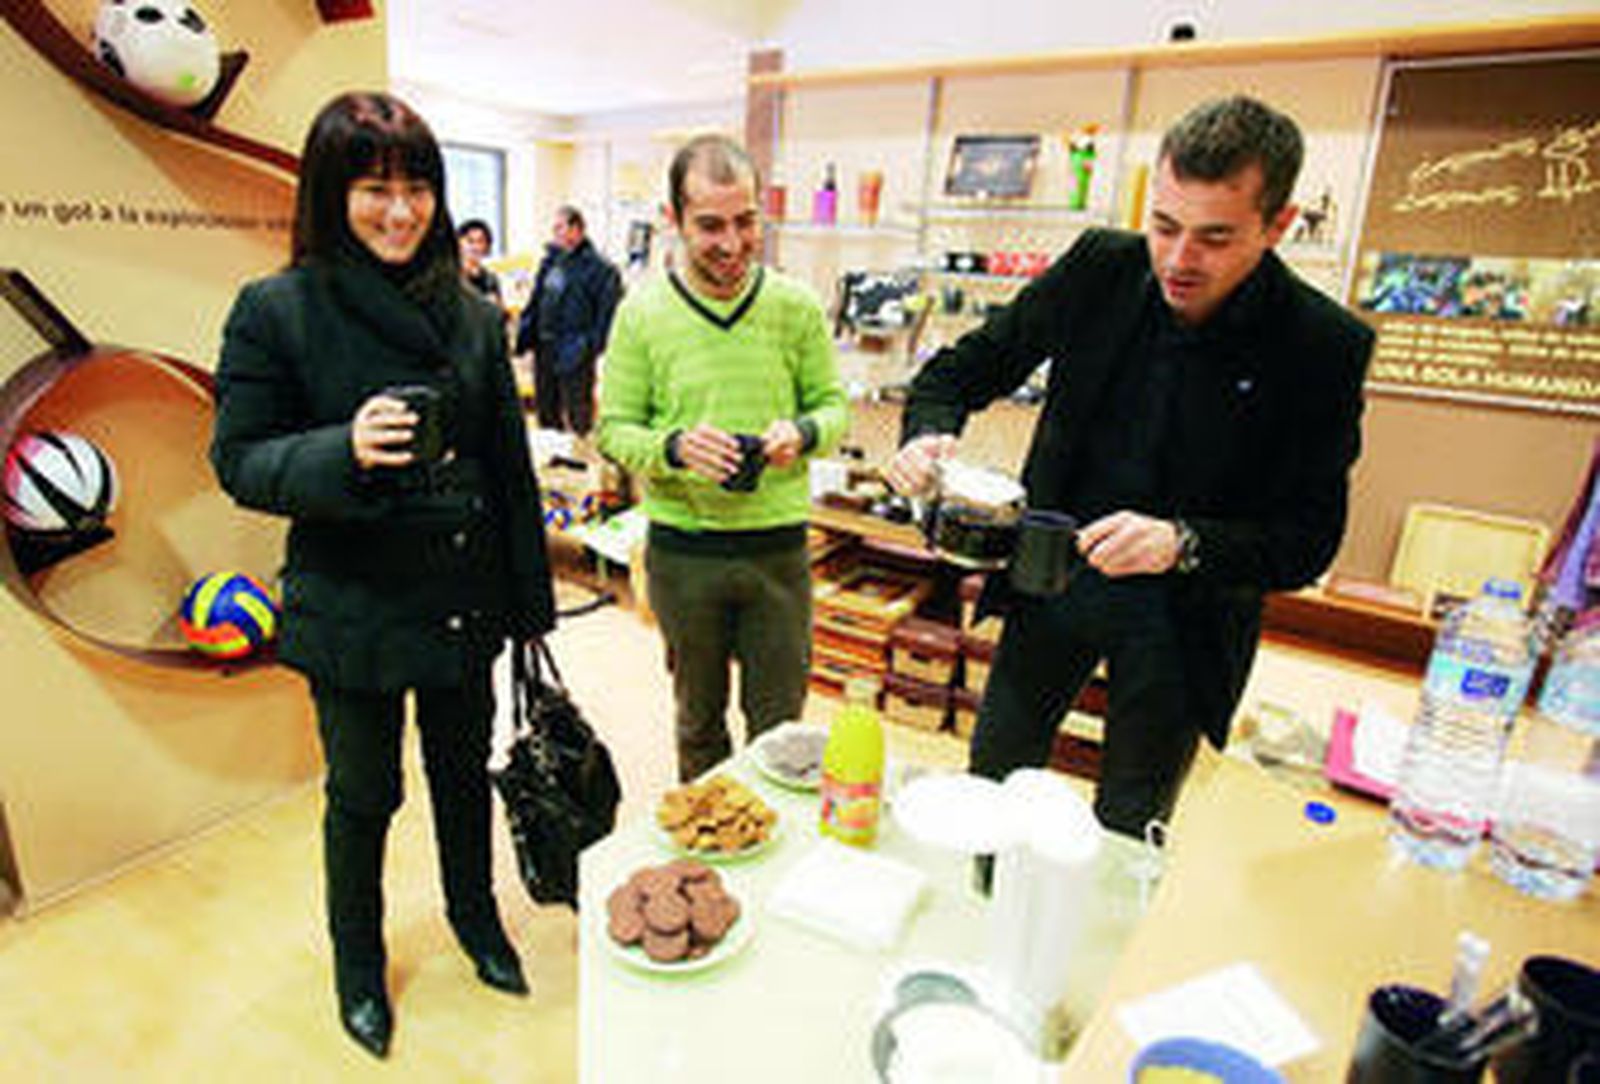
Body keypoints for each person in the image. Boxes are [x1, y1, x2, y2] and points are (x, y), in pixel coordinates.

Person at [886, 96, 1374, 837]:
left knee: (1129, 829)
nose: (1179, 260)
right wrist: (926, 437)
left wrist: (1182, 541)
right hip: (1052, 580)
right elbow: (955, 374)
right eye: (1166, 226)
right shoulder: (1100, 269)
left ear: (1278, 225)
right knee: (992, 790)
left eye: (1215, 238)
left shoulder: (1322, 344)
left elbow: (1309, 539)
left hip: (1185, 618)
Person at [210, 92, 555, 1059]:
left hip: (460, 599)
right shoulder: (276, 309)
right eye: (374, 189)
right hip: (351, 602)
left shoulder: (474, 313)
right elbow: (237, 460)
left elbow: (508, 473)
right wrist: (342, 449)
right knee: (363, 795)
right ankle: (357, 964)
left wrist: (529, 608)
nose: (400, 211)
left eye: (417, 188)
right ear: (332, 194)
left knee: (460, 776)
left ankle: (474, 918)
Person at [598, 134, 848, 781]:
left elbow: (833, 408)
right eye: (710, 225)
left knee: (783, 735)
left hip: (780, 553)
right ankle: (710, 866)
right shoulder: (641, 313)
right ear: (673, 220)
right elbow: (614, 431)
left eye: (745, 222)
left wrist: (802, 431)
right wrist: (675, 448)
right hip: (684, 556)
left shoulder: (794, 305)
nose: (732, 244)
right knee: (698, 726)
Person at [514, 205, 622, 435]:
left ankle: (580, 461)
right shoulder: (550, 262)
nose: (555, 234)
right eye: (554, 229)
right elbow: (536, 301)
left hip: (575, 350)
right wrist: (525, 338)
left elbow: (607, 319)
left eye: (560, 228)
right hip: (545, 348)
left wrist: (588, 347)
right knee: (546, 412)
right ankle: (551, 460)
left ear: (577, 230)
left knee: (577, 415)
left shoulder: (601, 269)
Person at [457, 217, 504, 309]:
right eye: (470, 241)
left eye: (480, 242)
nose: (475, 247)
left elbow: (499, 311)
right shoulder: (452, 276)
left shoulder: (489, 279)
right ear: (459, 244)